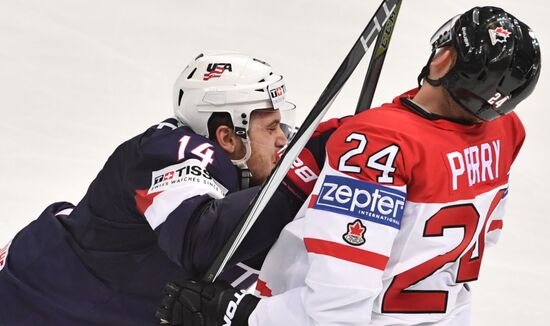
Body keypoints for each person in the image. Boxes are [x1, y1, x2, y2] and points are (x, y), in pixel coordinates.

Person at [159, 6, 541, 325]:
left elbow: (338, 308)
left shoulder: (376, 145)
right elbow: (482, 235)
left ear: (443, 61)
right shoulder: (506, 132)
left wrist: (239, 314)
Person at [0, 51, 305, 325]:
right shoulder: (169, 150)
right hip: (27, 299)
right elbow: (198, 240)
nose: (283, 139)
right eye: (270, 127)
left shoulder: (249, 182)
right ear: (227, 137)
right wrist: (301, 179)